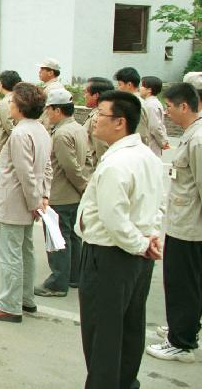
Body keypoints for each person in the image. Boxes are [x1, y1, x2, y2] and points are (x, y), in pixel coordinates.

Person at [75, 90, 163, 389]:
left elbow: (115, 220)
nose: (95, 120)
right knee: (129, 328)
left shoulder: (117, 164)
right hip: (136, 254)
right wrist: (151, 237)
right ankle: (126, 383)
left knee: (103, 335)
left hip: (110, 256)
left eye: (100, 114)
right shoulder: (147, 156)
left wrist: (141, 244)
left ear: (120, 122)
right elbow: (158, 204)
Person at [0, 82, 51, 323]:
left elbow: (25, 173)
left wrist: (36, 201)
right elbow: (45, 168)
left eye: (12, 102)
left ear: (21, 106)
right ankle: (25, 298)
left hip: (16, 201)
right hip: (28, 200)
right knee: (25, 251)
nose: (9, 105)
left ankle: (10, 305)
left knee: (10, 254)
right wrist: (42, 197)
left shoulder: (21, 133)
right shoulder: (40, 130)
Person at [146, 82, 201, 363]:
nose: (166, 113)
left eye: (169, 107)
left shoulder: (198, 138)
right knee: (185, 283)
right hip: (183, 222)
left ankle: (181, 342)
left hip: (191, 227)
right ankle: (184, 326)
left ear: (184, 106)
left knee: (183, 284)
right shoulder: (193, 134)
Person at [35, 88, 88, 297]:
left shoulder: (62, 134)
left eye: (49, 110)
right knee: (73, 237)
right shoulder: (77, 128)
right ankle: (74, 275)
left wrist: (82, 185)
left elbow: (69, 166)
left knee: (57, 239)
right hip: (73, 194)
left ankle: (57, 282)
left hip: (60, 193)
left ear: (58, 110)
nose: (47, 114)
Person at [114, 67, 152, 147]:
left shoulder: (134, 104)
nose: (118, 88)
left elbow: (140, 133)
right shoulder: (135, 101)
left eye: (120, 84)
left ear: (129, 85)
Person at [82, 77, 112, 177]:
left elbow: (103, 152)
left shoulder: (98, 118)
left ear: (96, 95)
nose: (84, 96)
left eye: (86, 92)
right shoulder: (98, 113)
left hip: (93, 173)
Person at [140, 75, 170, 157]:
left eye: (142, 85)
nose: (140, 88)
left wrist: (163, 142)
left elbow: (155, 126)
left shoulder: (150, 105)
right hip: (153, 143)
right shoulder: (154, 103)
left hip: (151, 143)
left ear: (149, 90)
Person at [0, 70, 21, 156]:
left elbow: (9, 126)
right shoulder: (20, 98)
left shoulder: (6, 102)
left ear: (1, 84)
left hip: (7, 147)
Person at [37, 58, 64, 128]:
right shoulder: (51, 86)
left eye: (42, 70)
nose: (39, 72)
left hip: (49, 127)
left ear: (50, 73)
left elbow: (54, 112)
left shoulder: (53, 88)